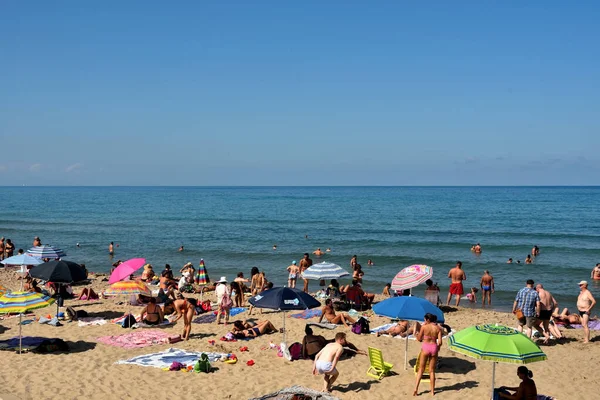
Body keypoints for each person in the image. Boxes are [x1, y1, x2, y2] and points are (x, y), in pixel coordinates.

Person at [413, 313, 442, 396]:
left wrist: (416, 335)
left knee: (421, 369)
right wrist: (438, 348)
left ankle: (416, 389)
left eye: (425, 320)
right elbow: (440, 342)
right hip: (434, 347)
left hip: (426, 347)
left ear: (428, 320)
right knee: (432, 371)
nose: (424, 321)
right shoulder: (438, 328)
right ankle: (432, 391)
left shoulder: (424, 327)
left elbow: (419, 339)